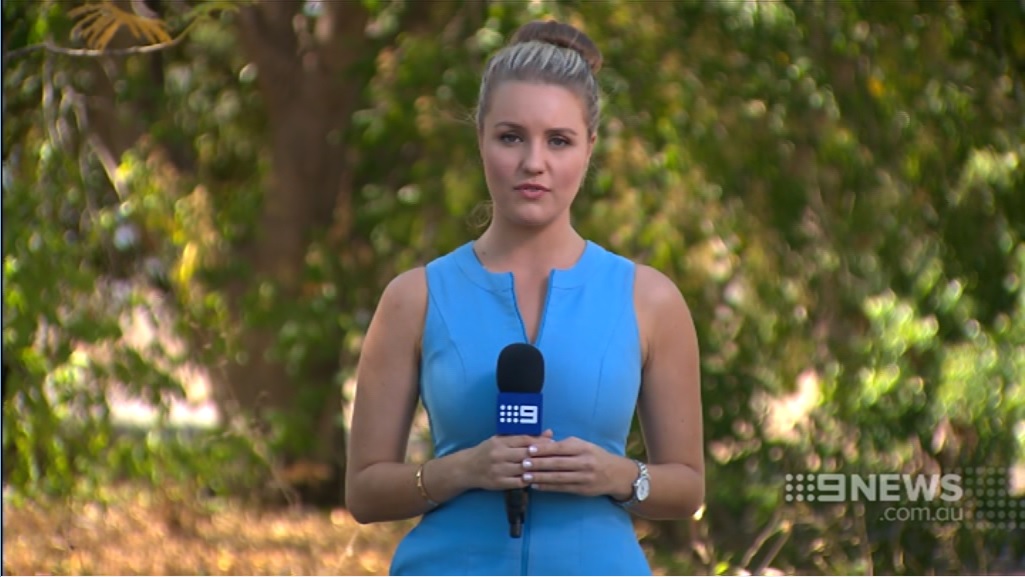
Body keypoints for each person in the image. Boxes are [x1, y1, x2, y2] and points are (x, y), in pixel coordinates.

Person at [345, 19, 704, 576]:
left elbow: (687, 487)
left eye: (558, 140)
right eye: (511, 137)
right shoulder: (414, 298)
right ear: (481, 139)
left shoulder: (650, 300)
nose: (534, 162)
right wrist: (461, 470)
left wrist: (617, 475)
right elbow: (365, 493)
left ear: (589, 147)